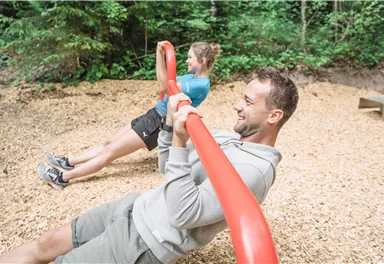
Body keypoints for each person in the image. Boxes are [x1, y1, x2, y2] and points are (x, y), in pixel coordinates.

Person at [0, 68, 299, 263]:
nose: (237, 105)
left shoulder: (254, 172)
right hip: (132, 209)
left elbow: (183, 214)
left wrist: (182, 143)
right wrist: (170, 124)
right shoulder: (228, 138)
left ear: (273, 116)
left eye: (247, 102)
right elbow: (167, 164)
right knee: (45, 244)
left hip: (144, 242)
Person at [38, 41, 221, 190]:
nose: (187, 61)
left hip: (157, 124)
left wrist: (160, 55)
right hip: (154, 114)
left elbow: (165, 87)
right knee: (108, 143)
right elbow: (164, 85)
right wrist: (161, 56)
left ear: (202, 59)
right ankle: (69, 161)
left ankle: (62, 178)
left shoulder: (201, 85)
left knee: (109, 153)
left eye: (190, 57)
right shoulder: (192, 77)